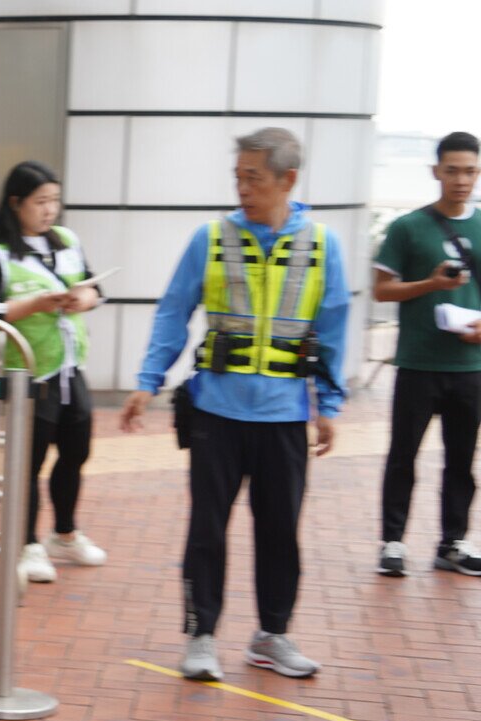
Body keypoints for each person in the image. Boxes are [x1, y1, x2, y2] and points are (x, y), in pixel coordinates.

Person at [121, 127, 349, 682]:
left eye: (254, 178)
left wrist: (330, 406)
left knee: (280, 532)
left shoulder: (322, 244)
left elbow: (334, 325)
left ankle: (272, 635)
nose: (243, 188)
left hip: (285, 416)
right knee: (207, 529)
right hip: (215, 414)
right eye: (238, 177)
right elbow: (173, 313)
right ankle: (201, 637)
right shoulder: (211, 238)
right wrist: (149, 381)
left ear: (287, 180)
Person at [0, 161, 108, 585]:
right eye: (40, 202)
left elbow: (94, 287)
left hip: (68, 367)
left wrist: (84, 299)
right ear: (16, 203)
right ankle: (25, 544)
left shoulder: (65, 241)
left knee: (76, 451)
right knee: (28, 464)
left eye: (55, 201)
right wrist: (34, 305)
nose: (50, 210)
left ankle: (63, 533)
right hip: (25, 373)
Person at [372, 130, 481, 579]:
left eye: (470, 171)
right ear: (435, 171)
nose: (461, 180)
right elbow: (382, 290)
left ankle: (452, 543)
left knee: (462, 460)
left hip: (470, 367)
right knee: (403, 456)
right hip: (417, 363)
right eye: (452, 170)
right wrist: (431, 285)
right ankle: (393, 542)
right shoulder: (407, 227)